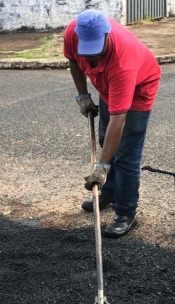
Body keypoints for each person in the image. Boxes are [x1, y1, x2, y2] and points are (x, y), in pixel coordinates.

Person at [64, 9, 161, 238]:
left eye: (96, 53)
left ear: (107, 36)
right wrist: (82, 95)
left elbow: (119, 120)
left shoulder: (122, 62)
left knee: (125, 155)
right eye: (87, 53)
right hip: (108, 88)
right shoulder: (71, 33)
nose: (91, 59)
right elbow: (73, 60)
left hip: (138, 90)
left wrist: (101, 167)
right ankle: (109, 191)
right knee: (104, 140)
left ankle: (126, 212)